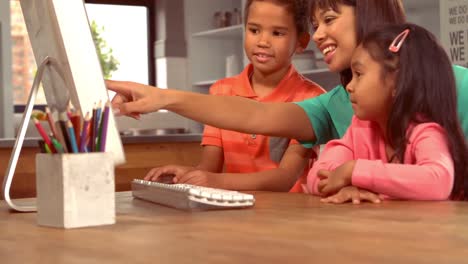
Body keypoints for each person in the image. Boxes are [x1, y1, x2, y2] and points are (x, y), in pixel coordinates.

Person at [107, 1, 468, 198]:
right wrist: (164, 97)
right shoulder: (342, 105)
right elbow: (255, 116)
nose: (319, 34)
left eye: (329, 18)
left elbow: (436, 179)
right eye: (315, 24)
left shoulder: (454, 84)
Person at [143, 0, 325, 192]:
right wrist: (185, 175)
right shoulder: (221, 92)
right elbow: (209, 168)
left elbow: (285, 178)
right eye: (254, 30)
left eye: (277, 33)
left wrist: (214, 181)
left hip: (288, 215)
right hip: (235, 213)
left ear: (301, 42)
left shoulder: (312, 99)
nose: (263, 42)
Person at [308, 23, 468, 204]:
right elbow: (318, 174)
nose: (349, 86)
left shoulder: (425, 132)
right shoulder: (359, 130)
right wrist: (345, 186)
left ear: (398, 83)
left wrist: (354, 172)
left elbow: (438, 181)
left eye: (359, 74)